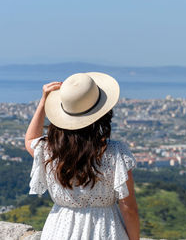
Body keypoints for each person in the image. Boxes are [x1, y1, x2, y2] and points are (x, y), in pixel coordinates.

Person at [24, 72, 140, 240]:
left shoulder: (50, 150)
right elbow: (128, 208)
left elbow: (30, 139)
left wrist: (43, 102)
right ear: (102, 113)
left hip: (59, 230)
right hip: (105, 229)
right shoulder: (116, 153)